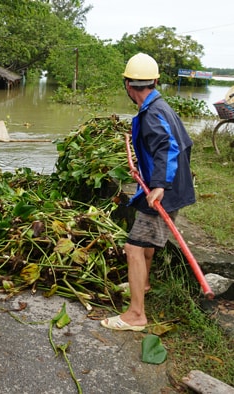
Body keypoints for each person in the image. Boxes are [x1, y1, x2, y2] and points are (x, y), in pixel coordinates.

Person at [101, 53, 195, 332]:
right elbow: (185, 144)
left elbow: (168, 147)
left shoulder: (153, 112)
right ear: (154, 81)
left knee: (134, 247)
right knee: (147, 244)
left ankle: (136, 314)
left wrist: (159, 185)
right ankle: (142, 283)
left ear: (128, 85)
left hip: (162, 191)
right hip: (165, 186)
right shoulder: (161, 106)